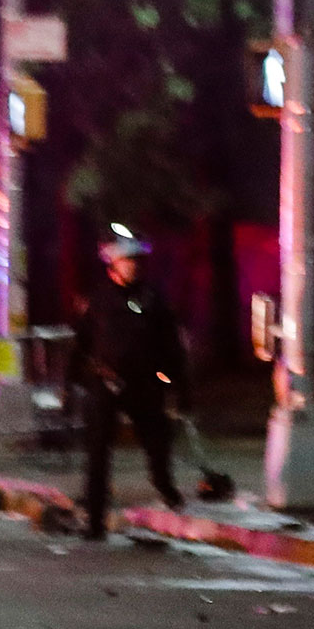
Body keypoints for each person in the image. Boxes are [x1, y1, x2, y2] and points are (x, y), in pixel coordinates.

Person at [65, 228, 186, 540]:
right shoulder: (99, 300)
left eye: (136, 261)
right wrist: (70, 385)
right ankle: (95, 521)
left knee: (156, 442)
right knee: (98, 454)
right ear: (113, 265)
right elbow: (82, 344)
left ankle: (165, 487)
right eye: (126, 260)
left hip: (145, 383)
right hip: (105, 385)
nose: (133, 266)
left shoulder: (152, 298)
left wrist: (179, 385)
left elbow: (171, 344)